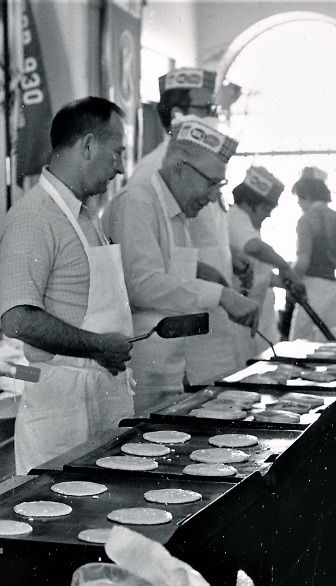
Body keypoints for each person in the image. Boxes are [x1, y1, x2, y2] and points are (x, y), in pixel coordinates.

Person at [0, 97, 133, 473]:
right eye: (117, 153)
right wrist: (96, 346)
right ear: (88, 145)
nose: (120, 167)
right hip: (63, 413)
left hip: (103, 397)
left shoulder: (86, 216)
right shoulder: (34, 217)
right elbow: (18, 320)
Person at [103, 117, 259, 410]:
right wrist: (221, 296)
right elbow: (143, 285)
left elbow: (168, 272)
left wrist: (204, 271)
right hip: (136, 382)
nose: (214, 197)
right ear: (178, 169)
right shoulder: (138, 202)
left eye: (219, 185)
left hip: (168, 377)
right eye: (210, 183)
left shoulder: (178, 215)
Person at [132, 70, 251, 384]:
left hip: (210, 309)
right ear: (177, 115)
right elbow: (150, 267)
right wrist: (214, 285)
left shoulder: (204, 161)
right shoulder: (151, 174)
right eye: (207, 109)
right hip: (182, 321)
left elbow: (191, 241)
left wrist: (229, 257)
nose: (214, 114)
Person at [227, 165, 304, 358]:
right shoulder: (236, 217)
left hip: (259, 318)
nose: (268, 215)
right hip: (239, 321)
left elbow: (261, 275)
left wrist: (287, 284)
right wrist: (285, 266)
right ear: (249, 203)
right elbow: (255, 248)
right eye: (265, 209)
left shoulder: (250, 223)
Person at [288, 168, 336, 342]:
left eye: (299, 198)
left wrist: (290, 280)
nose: (298, 204)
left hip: (312, 288)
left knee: (298, 344)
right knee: (332, 343)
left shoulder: (306, 220)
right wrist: (331, 261)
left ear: (306, 195)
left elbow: (302, 262)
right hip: (334, 289)